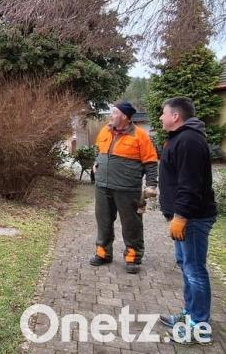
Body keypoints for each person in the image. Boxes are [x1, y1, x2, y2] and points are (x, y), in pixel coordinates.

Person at [157, 97, 217, 345]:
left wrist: (180, 216)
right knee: (186, 266)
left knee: (194, 271)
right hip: (182, 217)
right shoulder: (179, 138)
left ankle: (199, 327)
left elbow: (190, 184)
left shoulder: (189, 141)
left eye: (163, 113)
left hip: (192, 218)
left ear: (175, 116)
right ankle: (190, 314)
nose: (160, 117)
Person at [90, 102, 158, 274]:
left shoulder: (140, 136)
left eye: (114, 113)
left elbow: (150, 162)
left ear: (125, 117)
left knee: (131, 224)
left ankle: (132, 257)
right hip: (103, 187)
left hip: (128, 189)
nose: (111, 116)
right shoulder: (106, 130)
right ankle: (103, 253)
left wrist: (151, 185)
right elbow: (99, 150)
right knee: (103, 221)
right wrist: (96, 162)